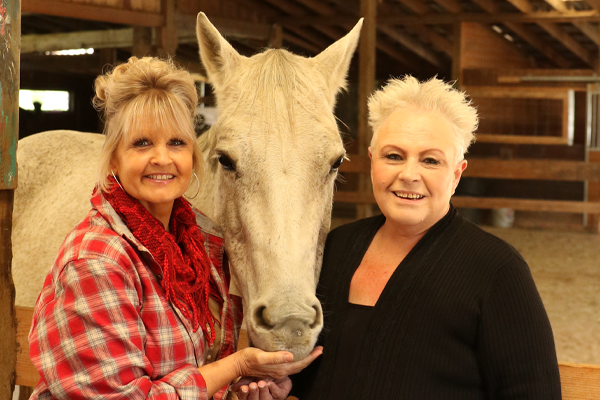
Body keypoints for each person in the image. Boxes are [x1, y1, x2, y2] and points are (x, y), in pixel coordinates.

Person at [28, 57, 321, 400]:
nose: (163, 158)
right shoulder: (96, 260)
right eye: (142, 143)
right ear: (113, 159)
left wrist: (238, 391)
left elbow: (189, 371)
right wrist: (236, 367)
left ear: (194, 156)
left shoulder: (198, 246)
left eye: (177, 143)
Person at [291, 76, 561, 399]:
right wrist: (281, 386)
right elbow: (315, 373)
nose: (409, 175)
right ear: (372, 160)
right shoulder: (335, 249)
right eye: (393, 156)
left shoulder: (498, 272)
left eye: (430, 160)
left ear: (457, 174)